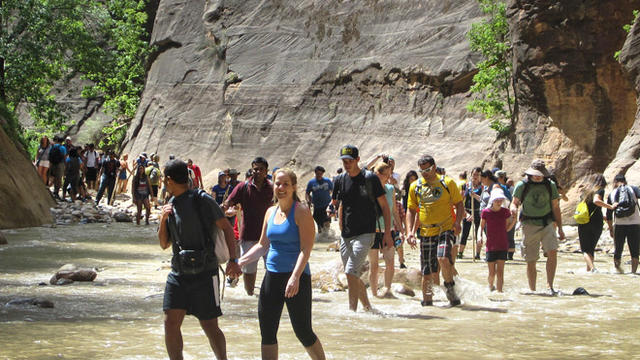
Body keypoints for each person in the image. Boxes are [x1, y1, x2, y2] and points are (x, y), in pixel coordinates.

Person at [158, 159, 241, 360]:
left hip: (206, 273)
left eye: (163, 179)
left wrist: (233, 260)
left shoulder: (202, 199)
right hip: (178, 273)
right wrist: (162, 220)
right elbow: (164, 244)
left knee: (210, 325)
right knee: (170, 323)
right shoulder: (170, 206)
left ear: (169, 180)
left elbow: (227, 229)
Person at [239, 168, 325, 360]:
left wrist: (294, 278)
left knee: (303, 331)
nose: (281, 188)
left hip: (297, 278)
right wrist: (240, 262)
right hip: (272, 276)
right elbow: (262, 245)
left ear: (294, 187)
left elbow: (306, 249)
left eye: (286, 184)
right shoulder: (270, 212)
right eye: (278, 183)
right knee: (267, 332)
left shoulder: (301, 212)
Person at [332, 145, 392, 311]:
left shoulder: (370, 178)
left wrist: (387, 233)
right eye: (344, 161)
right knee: (353, 275)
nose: (347, 164)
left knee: (350, 272)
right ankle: (367, 307)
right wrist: (340, 228)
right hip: (346, 234)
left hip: (366, 232)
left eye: (350, 160)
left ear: (358, 160)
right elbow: (341, 204)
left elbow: (385, 207)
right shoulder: (340, 179)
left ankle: (352, 313)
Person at [406, 154, 464, 306]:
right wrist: (410, 232)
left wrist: (457, 222)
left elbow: (459, 204)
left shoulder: (447, 182)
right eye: (422, 170)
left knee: (443, 258)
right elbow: (411, 210)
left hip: (445, 228)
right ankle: (428, 302)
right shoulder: (416, 186)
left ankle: (449, 287)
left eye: (428, 169)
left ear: (435, 166)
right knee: (427, 272)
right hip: (425, 232)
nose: (425, 173)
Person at [510, 160, 565, 293]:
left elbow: (555, 207)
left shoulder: (550, 185)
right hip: (529, 225)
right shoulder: (522, 185)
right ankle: (533, 290)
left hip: (547, 223)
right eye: (535, 174)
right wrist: (513, 209)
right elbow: (514, 202)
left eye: (540, 174)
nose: (538, 176)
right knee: (531, 259)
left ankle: (549, 286)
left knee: (552, 252)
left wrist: (561, 228)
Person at [223, 157, 273, 296]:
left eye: (261, 169)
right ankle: (250, 296)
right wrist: (224, 210)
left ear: (266, 171)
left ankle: (269, 296)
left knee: (273, 269)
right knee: (249, 271)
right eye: (255, 169)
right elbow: (228, 202)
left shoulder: (272, 188)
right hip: (248, 236)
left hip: (269, 237)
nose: (257, 172)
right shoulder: (243, 187)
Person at [369, 162, 402, 298]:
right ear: (377, 174)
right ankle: (374, 293)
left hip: (390, 229)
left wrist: (401, 227)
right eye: (386, 175)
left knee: (390, 262)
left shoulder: (390, 189)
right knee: (374, 264)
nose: (389, 178)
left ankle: (387, 289)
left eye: (390, 174)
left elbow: (393, 209)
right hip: (373, 230)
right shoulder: (369, 189)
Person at [479, 188, 516, 292]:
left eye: (501, 200)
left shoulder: (505, 212)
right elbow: (481, 227)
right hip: (490, 246)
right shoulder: (486, 212)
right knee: (491, 273)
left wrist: (514, 220)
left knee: (500, 272)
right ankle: (490, 287)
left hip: (503, 245)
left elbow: (507, 229)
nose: (499, 202)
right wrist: (479, 236)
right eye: (497, 200)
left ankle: (500, 292)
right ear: (492, 201)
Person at [605, 174, 640, 274]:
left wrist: (611, 228)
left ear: (615, 182)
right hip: (635, 223)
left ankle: (618, 271)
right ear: (625, 181)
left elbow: (609, 214)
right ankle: (633, 273)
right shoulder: (633, 189)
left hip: (619, 225)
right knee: (634, 250)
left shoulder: (612, 193)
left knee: (618, 249)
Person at [577, 174, 612, 272]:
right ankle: (589, 269)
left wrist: (609, 207)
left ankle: (591, 269)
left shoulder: (585, 191)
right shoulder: (600, 190)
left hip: (584, 221)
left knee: (585, 249)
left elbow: (592, 202)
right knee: (591, 248)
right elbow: (596, 201)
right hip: (597, 221)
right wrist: (610, 206)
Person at [459, 167, 482, 259]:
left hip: (478, 212)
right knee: (465, 232)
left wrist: (475, 195)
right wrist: (465, 213)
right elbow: (461, 200)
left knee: (478, 233)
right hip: (468, 211)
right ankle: (460, 253)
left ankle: (477, 254)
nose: (475, 177)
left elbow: (483, 200)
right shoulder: (466, 186)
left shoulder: (483, 187)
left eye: (477, 175)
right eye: (474, 174)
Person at [305, 166, 333, 239]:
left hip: (327, 205)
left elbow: (333, 191)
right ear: (315, 173)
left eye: (320, 174)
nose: (319, 175)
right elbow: (307, 193)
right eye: (318, 174)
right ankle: (321, 238)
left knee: (327, 222)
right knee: (319, 224)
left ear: (323, 174)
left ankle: (327, 237)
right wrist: (308, 201)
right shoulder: (311, 182)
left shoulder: (327, 181)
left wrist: (334, 202)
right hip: (317, 206)